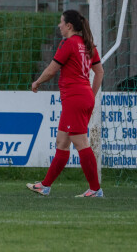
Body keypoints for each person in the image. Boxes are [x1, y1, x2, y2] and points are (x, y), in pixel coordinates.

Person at [27, 10, 105, 197]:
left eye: (61, 22)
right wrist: (91, 95)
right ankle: (45, 186)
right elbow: (100, 72)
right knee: (62, 143)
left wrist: (37, 82)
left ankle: (95, 189)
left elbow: (52, 70)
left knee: (81, 143)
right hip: (83, 97)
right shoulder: (88, 45)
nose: (59, 26)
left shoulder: (68, 43)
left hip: (75, 99)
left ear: (69, 26)